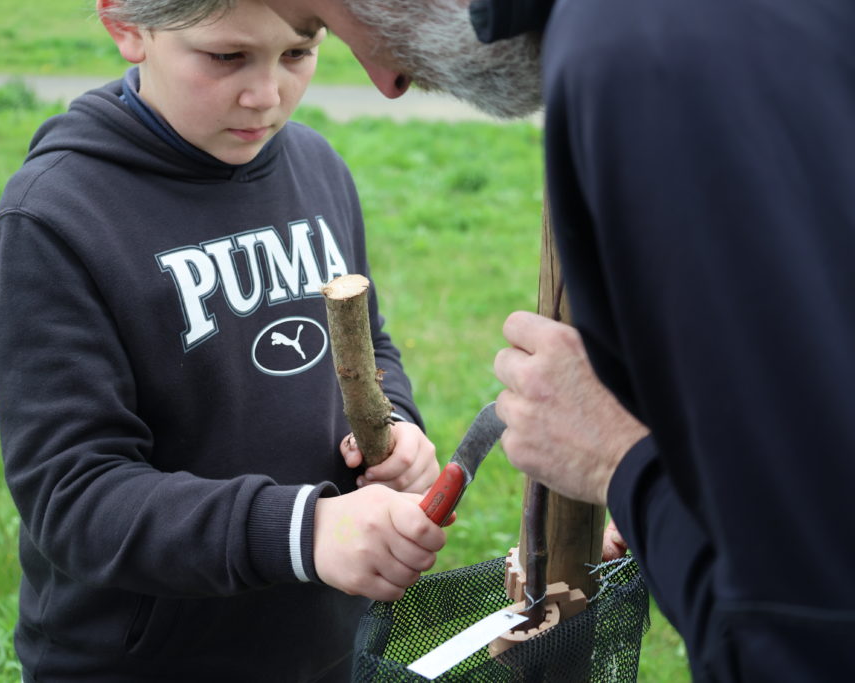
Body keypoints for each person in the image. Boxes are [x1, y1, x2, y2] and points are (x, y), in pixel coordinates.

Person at [259, 0, 855, 680]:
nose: (385, 80)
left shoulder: (644, 47)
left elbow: (803, 633)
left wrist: (619, 461)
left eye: (336, 25)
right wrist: (671, 488)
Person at [0, 0, 447, 679]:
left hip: (323, 638)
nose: (266, 95)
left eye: (298, 53)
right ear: (127, 27)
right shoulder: (55, 218)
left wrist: (397, 429)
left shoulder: (318, 169)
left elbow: (368, 349)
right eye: (226, 57)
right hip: (146, 660)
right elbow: (74, 494)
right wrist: (303, 529)